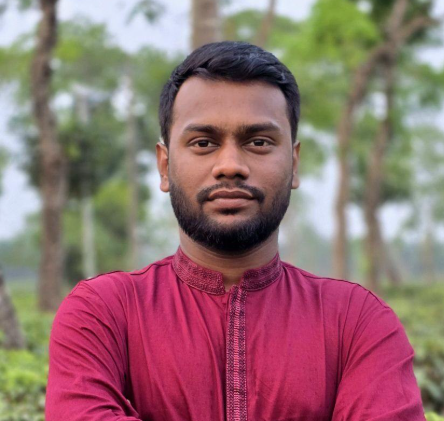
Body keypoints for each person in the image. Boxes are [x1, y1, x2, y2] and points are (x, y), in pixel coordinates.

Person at [45, 41, 425, 421]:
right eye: (203, 143)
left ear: (294, 164)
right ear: (164, 166)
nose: (230, 165)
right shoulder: (102, 314)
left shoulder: (357, 323)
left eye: (258, 142)